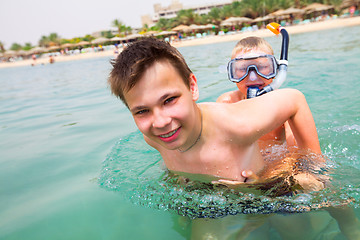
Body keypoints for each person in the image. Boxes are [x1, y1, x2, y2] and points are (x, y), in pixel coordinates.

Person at [108, 37, 359, 239]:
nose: (160, 122)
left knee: (302, 217)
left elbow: (295, 99)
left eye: (170, 100)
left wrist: (314, 167)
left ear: (192, 87)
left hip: (272, 189)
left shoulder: (237, 124)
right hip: (218, 199)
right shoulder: (153, 137)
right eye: (142, 111)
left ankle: (350, 225)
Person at [217, 36, 297, 150]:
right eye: (242, 69)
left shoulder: (285, 105)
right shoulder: (227, 103)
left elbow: (295, 152)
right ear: (232, 72)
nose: (253, 77)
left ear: (276, 69)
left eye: (263, 67)